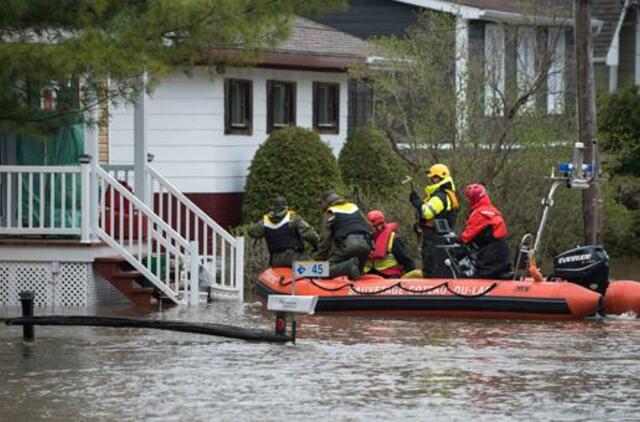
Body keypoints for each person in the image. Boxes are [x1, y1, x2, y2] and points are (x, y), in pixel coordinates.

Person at [409, 163, 459, 277]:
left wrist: (417, 202)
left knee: (431, 268)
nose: (431, 181)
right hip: (440, 237)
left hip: (434, 238)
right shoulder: (446, 194)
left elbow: (426, 213)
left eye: (433, 178)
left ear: (439, 178)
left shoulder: (440, 196)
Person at [247, 196, 319, 268]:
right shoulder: (293, 218)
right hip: (294, 257)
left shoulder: (266, 221)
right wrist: (317, 246)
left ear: (274, 207)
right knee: (317, 269)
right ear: (286, 207)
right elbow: (311, 235)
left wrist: (264, 220)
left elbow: (251, 231)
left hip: (275, 260)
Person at [316, 190, 372, 280]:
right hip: (366, 246)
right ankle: (357, 274)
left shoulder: (331, 212)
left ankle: (349, 267)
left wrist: (319, 260)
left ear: (325, 202)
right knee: (357, 271)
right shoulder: (354, 207)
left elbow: (324, 239)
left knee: (323, 271)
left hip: (348, 247)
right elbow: (369, 227)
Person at [459, 184, 512, 278]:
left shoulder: (479, 213)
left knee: (481, 276)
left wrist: (457, 241)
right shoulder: (492, 210)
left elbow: (466, 237)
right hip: (502, 251)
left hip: (491, 253)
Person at [364, 210, 416, 278]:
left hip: (389, 276)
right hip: (368, 276)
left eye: (372, 227)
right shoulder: (363, 239)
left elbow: (407, 261)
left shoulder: (393, 239)